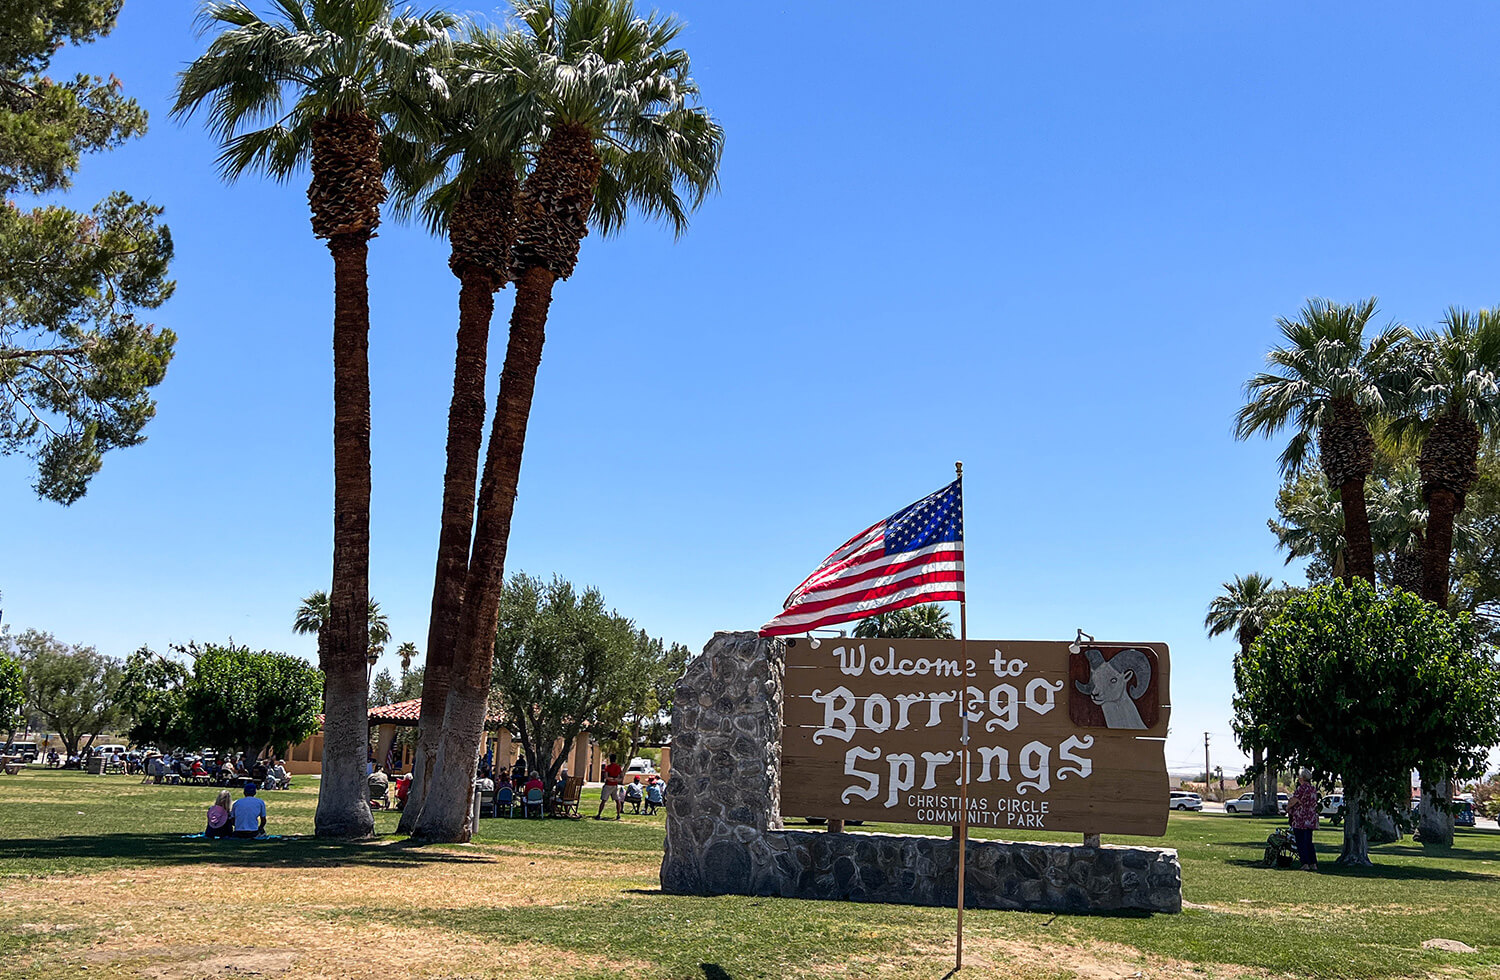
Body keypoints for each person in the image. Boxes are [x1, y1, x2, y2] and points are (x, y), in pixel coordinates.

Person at [1288, 768, 1320, 871]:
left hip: (1300, 819)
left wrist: (1288, 808)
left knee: (1301, 841)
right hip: (1310, 818)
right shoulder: (1313, 789)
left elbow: (1294, 800)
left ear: (1301, 778)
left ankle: (1305, 863)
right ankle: (1313, 863)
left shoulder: (1301, 789)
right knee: (1309, 842)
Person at [595, 753, 624, 820]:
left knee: (604, 800)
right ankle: (618, 815)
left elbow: (606, 777)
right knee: (617, 800)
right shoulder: (618, 767)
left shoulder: (608, 767)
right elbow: (621, 777)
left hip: (608, 785)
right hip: (615, 786)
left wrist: (611, 779)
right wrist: (616, 779)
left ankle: (599, 814)